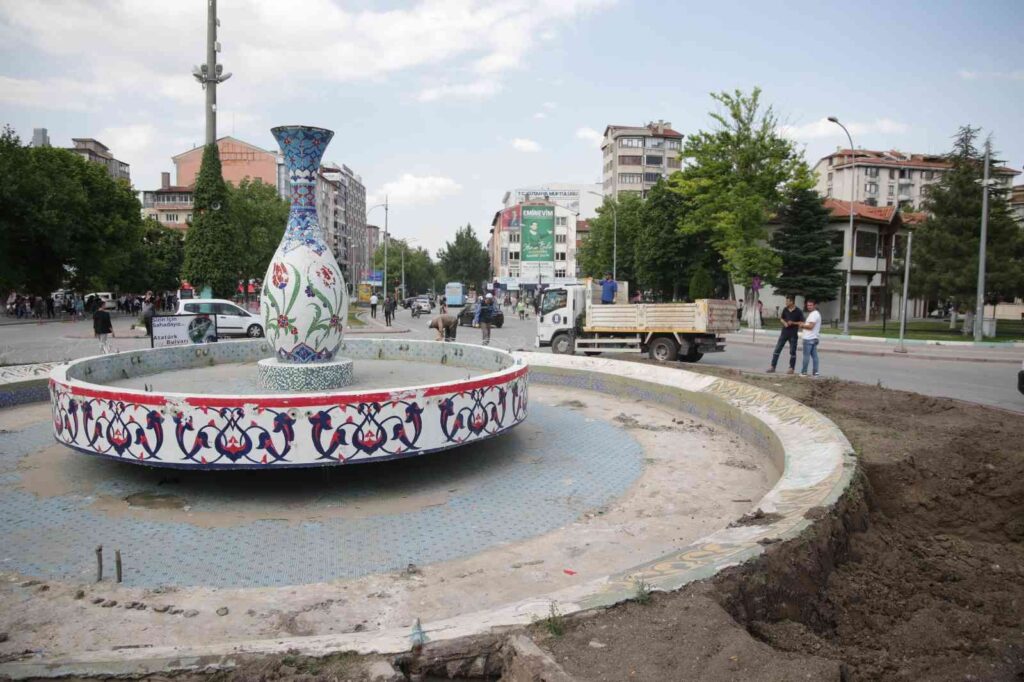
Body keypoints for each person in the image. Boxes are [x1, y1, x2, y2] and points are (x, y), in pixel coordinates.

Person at [766, 295, 804, 374]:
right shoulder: (785, 309)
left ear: (792, 302)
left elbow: (802, 322)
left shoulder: (798, 311)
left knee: (792, 351)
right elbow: (781, 318)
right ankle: (773, 366)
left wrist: (793, 323)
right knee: (777, 349)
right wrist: (784, 323)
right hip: (784, 333)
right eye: (786, 301)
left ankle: (791, 368)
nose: (785, 303)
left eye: (787, 301)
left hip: (793, 334)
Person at [799, 299, 822, 377]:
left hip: (809, 338)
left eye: (811, 305)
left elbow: (811, 326)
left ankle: (804, 372)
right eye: (808, 305)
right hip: (814, 338)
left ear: (814, 305)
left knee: (806, 356)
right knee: (814, 356)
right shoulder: (815, 313)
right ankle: (815, 372)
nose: (809, 307)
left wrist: (802, 325)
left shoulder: (814, 314)